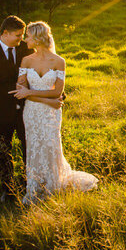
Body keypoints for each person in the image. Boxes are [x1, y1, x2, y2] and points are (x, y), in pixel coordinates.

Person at [10, 21, 97, 204]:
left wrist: (31, 93)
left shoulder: (59, 62)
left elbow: (57, 93)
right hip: (32, 112)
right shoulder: (26, 60)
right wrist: (45, 100)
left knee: (51, 146)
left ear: (38, 38)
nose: (26, 40)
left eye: (29, 36)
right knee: (33, 146)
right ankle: (34, 186)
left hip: (50, 114)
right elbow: (20, 89)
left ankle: (53, 185)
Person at [0, 15, 43, 202]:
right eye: (18, 36)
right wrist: (13, 90)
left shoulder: (25, 49)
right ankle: (8, 189)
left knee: (29, 147)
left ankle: (30, 183)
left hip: (25, 110)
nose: (22, 39)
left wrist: (49, 91)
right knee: (2, 151)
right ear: (5, 33)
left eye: (22, 36)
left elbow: (38, 72)